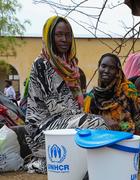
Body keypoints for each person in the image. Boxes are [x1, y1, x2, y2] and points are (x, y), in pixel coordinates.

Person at [25, 16, 108, 173]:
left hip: (65, 122)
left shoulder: (70, 64)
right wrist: (88, 119)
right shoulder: (42, 65)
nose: (65, 39)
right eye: (59, 35)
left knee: (98, 125)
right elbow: (55, 108)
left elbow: (75, 108)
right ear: (49, 36)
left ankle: (86, 164)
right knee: (95, 124)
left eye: (68, 35)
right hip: (41, 130)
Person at [84, 53, 140, 132]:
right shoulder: (92, 96)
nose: (106, 71)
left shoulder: (128, 89)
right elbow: (86, 120)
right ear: (99, 68)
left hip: (129, 136)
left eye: (112, 68)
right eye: (103, 66)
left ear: (118, 72)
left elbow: (138, 116)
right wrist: (103, 120)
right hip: (100, 137)